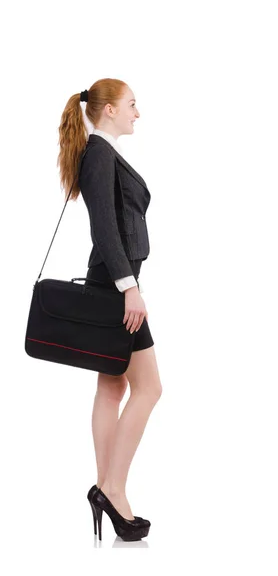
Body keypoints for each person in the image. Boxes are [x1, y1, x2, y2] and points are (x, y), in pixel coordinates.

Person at [57, 78, 162, 541]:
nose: (138, 113)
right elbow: (103, 227)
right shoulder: (99, 154)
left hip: (112, 284)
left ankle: (108, 490)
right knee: (149, 387)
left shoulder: (103, 152)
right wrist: (129, 287)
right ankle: (111, 488)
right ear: (110, 111)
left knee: (113, 386)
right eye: (132, 105)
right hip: (114, 286)